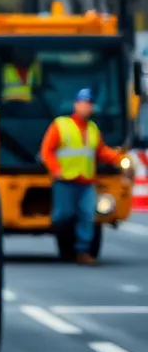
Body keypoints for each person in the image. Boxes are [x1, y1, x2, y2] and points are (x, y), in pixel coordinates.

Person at [39, 88, 124, 265]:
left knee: (87, 215)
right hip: (65, 181)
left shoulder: (93, 129)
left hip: (86, 182)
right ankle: (66, 244)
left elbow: (101, 151)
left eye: (89, 104)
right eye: (84, 103)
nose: (87, 107)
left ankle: (82, 251)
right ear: (76, 105)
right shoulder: (61, 125)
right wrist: (55, 169)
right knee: (63, 215)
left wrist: (119, 159)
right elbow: (47, 151)